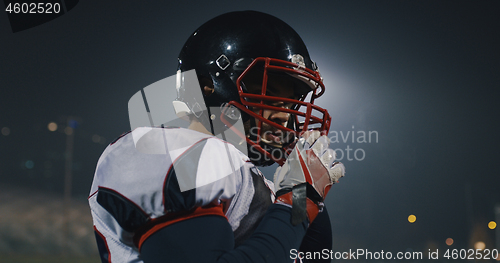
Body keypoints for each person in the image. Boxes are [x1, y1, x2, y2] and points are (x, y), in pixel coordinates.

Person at [89, 11, 345, 263]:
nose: (283, 116)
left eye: (290, 104)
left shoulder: (258, 184)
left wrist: (302, 196)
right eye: (267, 92)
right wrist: (294, 201)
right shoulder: (163, 152)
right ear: (206, 87)